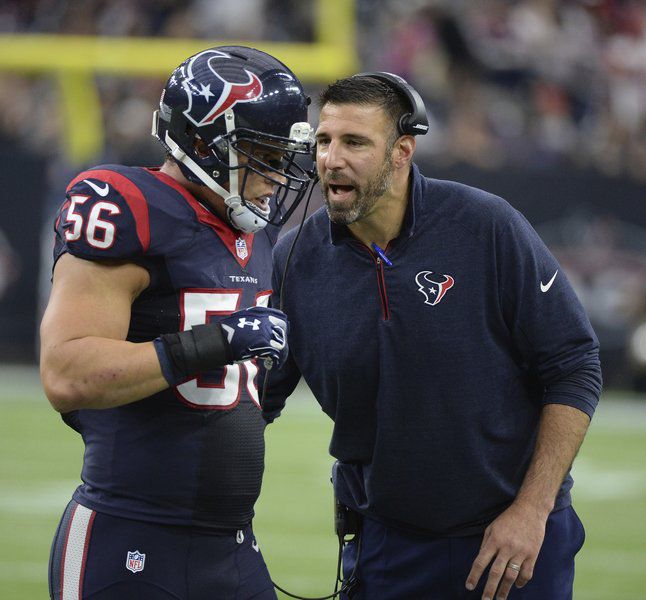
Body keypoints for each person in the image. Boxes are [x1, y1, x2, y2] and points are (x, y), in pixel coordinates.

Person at [264, 72, 602, 600]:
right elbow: (254, 397)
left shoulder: (486, 225)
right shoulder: (294, 259)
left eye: (354, 142)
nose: (330, 159)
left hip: (512, 539)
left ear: (402, 151)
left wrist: (531, 510)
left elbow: (574, 366)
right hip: (386, 543)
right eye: (323, 141)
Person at [40, 46, 314, 600]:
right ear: (202, 143)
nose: (276, 173)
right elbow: (66, 373)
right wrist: (220, 342)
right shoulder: (129, 203)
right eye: (260, 152)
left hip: (232, 548)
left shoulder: (254, 234)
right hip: (128, 537)